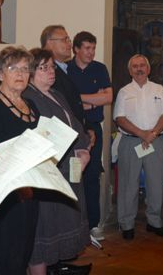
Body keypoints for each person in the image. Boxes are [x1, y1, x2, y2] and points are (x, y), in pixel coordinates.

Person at [23, 49, 92, 274]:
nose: (51, 71)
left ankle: (54, 268)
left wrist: (84, 147)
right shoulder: (29, 98)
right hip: (52, 171)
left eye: (52, 67)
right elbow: (45, 135)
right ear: (31, 72)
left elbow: (74, 124)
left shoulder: (55, 93)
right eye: (43, 68)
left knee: (60, 224)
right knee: (44, 230)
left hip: (70, 166)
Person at [0, 46, 39, 274]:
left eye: (25, 69)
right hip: (8, 191)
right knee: (8, 252)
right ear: (0, 73)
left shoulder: (32, 106)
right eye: (13, 68)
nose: (21, 73)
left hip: (33, 185)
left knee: (24, 250)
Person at [113, 54, 163, 240]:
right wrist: (142, 134)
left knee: (156, 183)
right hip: (131, 142)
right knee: (128, 184)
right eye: (135, 66)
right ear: (130, 71)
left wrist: (152, 133)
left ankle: (154, 222)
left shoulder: (158, 89)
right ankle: (127, 224)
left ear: (148, 69)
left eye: (142, 65)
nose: (139, 69)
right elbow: (119, 118)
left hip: (156, 141)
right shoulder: (124, 92)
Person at [67, 31, 113, 242]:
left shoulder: (99, 68)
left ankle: (93, 224)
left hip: (94, 126)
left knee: (93, 174)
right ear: (76, 49)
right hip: (71, 127)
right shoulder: (66, 69)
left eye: (93, 48)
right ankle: (74, 222)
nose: (91, 52)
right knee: (73, 174)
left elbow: (108, 97)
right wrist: (93, 99)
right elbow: (64, 100)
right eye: (87, 48)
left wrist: (78, 99)